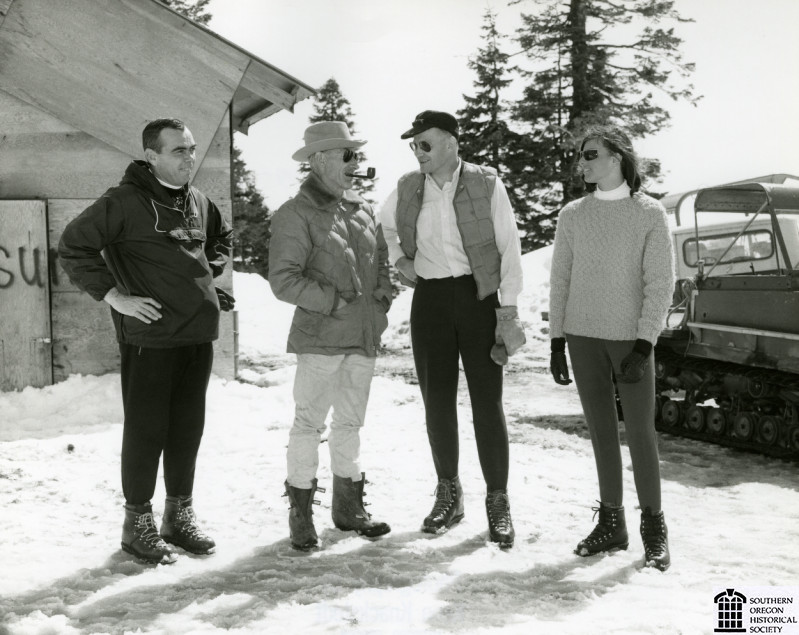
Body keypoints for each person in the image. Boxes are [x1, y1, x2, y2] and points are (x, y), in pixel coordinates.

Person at [58, 118, 233, 565]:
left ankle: (179, 516)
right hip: (150, 339)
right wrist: (116, 296)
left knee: (186, 431)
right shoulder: (124, 201)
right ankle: (137, 525)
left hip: (197, 335)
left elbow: (220, 239)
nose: (189, 158)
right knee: (146, 431)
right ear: (152, 156)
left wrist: (207, 279)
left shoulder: (197, 201)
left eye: (191, 150)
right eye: (178, 151)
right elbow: (73, 246)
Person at [380, 110, 525, 548]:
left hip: (479, 298)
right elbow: (384, 226)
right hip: (430, 301)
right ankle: (449, 493)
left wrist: (509, 311)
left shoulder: (486, 183)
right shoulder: (407, 187)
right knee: (437, 402)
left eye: (424, 144)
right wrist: (400, 260)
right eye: (413, 146)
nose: (418, 153)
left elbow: (509, 247)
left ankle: (497, 501)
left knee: (487, 402)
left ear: (449, 143)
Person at [548, 124, 675, 571]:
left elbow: (660, 283)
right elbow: (561, 278)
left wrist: (645, 342)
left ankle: (654, 529)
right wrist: (557, 341)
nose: (581, 162)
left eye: (590, 154)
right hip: (582, 337)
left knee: (641, 434)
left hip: (630, 341)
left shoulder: (649, 214)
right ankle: (612, 524)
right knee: (602, 432)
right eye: (581, 156)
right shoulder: (572, 215)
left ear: (617, 157)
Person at [269, 121, 393, 551]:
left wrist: (380, 304)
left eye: (356, 155)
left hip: (362, 338)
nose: (355, 163)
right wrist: (335, 303)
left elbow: (383, 267)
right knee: (309, 424)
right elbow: (283, 280)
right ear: (319, 160)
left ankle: (349, 509)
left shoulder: (362, 210)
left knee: (351, 423)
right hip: (320, 339)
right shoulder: (294, 214)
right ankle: (301, 515)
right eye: (347, 155)